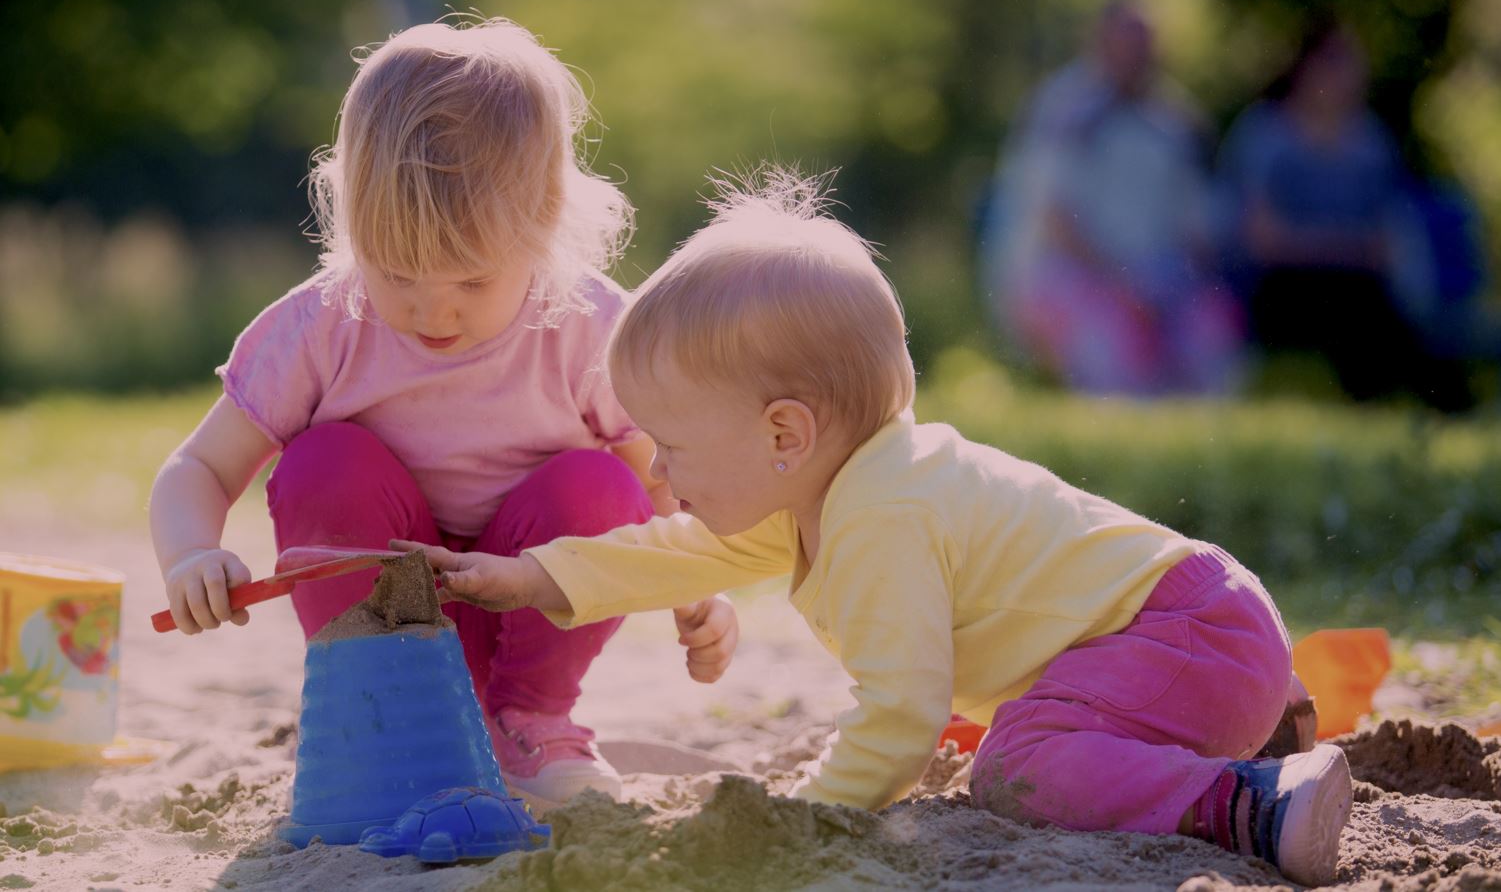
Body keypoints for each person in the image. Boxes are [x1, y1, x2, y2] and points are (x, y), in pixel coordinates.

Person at [397, 168, 1354, 888]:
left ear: (784, 433)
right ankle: (1253, 725)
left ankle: (1247, 803)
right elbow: (680, 553)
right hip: (1201, 635)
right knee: (1023, 732)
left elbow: (898, 722)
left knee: (1015, 758)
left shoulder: (882, 515)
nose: (657, 470)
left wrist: (804, 817)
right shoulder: (824, 492)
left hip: (1183, 635)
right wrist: (535, 579)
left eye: (674, 444)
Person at [148, 17, 739, 809]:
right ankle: (383, 719)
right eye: (395, 272)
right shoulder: (321, 326)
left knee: (599, 486)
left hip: (526, 616)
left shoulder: (591, 330)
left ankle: (529, 721)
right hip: (382, 610)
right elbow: (199, 466)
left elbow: (665, 483)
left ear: (543, 227)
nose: (433, 311)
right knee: (324, 461)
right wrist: (191, 554)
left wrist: (699, 584)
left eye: (470, 281)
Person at [984, 0, 1244, 395]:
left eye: (1143, 46)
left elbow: (1198, 231)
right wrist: (1125, 288)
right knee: (1116, 342)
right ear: (1099, 43)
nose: (1134, 57)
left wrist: (1176, 289)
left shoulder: (1177, 123)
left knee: (1212, 330)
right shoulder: (1062, 111)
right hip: (1067, 275)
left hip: (1157, 280)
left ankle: (1204, 449)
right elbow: (1055, 222)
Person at [1217, 18, 1474, 410]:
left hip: (1354, 286)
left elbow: (1387, 239)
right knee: (1351, 305)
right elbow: (1262, 241)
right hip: (1276, 290)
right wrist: (1348, 248)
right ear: (1309, 68)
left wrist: (1339, 249)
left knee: (1375, 310)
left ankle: (1440, 409)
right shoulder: (1265, 135)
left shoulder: (1368, 141)